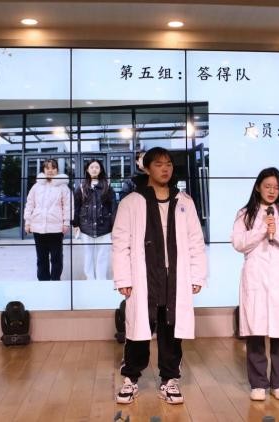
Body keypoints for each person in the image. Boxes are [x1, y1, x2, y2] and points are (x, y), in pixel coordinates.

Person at [112, 147, 207, 405]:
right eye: (158, 164)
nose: (165, 169)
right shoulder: (132, 202)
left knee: (171, 329)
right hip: (144, 276)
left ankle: (170, 379)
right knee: (139, 330)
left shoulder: (184, 201)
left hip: (175, 276)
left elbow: (196, 241)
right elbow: (120, 243)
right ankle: (131, 378)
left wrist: (197, 275)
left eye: (168, 164)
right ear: (147, 168)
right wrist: (123, 278)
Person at [231, 167, 279, 401]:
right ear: (258, 187)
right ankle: (258, 384)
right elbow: (239, 243)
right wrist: (262, 229)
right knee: (256, 331)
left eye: (276, 187)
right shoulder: (245, 214)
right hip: (256, 278)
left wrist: (278, 233)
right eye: (268, 186)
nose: (272, 191)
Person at [24, 159, 72, 281]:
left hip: (56, 228)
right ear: (43, 170)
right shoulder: (36, 187)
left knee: (56, 258)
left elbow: (68, 206)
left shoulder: (63, 187)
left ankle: (55, 281)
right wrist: (27, 222)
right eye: (47, 168)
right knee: (41, 258)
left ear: (57, 170)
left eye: (53, 168)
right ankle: (43, 282)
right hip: (38, 228)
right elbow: (29, 204)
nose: (50, 170)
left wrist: (66, 223)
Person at [73, 159, 117, 280]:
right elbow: (76, 207)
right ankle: (90, 279)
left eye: (97, 167)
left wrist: (114, 225)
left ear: (100, 170)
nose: (94, 169)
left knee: (103, 255)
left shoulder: (107, 186)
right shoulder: (81, 187)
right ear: (87, 170)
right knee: (88, 255)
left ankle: (101, 279)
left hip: (105, 227)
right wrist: (75, 224)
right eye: (91, 167)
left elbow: (113, 207)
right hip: (86, 227)